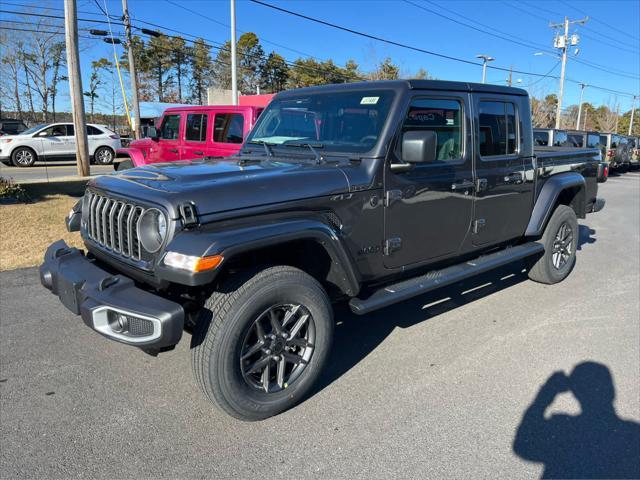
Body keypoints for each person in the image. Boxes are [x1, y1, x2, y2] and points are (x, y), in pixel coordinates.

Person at [513, 361, 640, 479]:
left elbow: (525, 444)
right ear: (611, 391)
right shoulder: (633, 435)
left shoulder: (563, 431)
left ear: (576, 393)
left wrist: (545, 396)